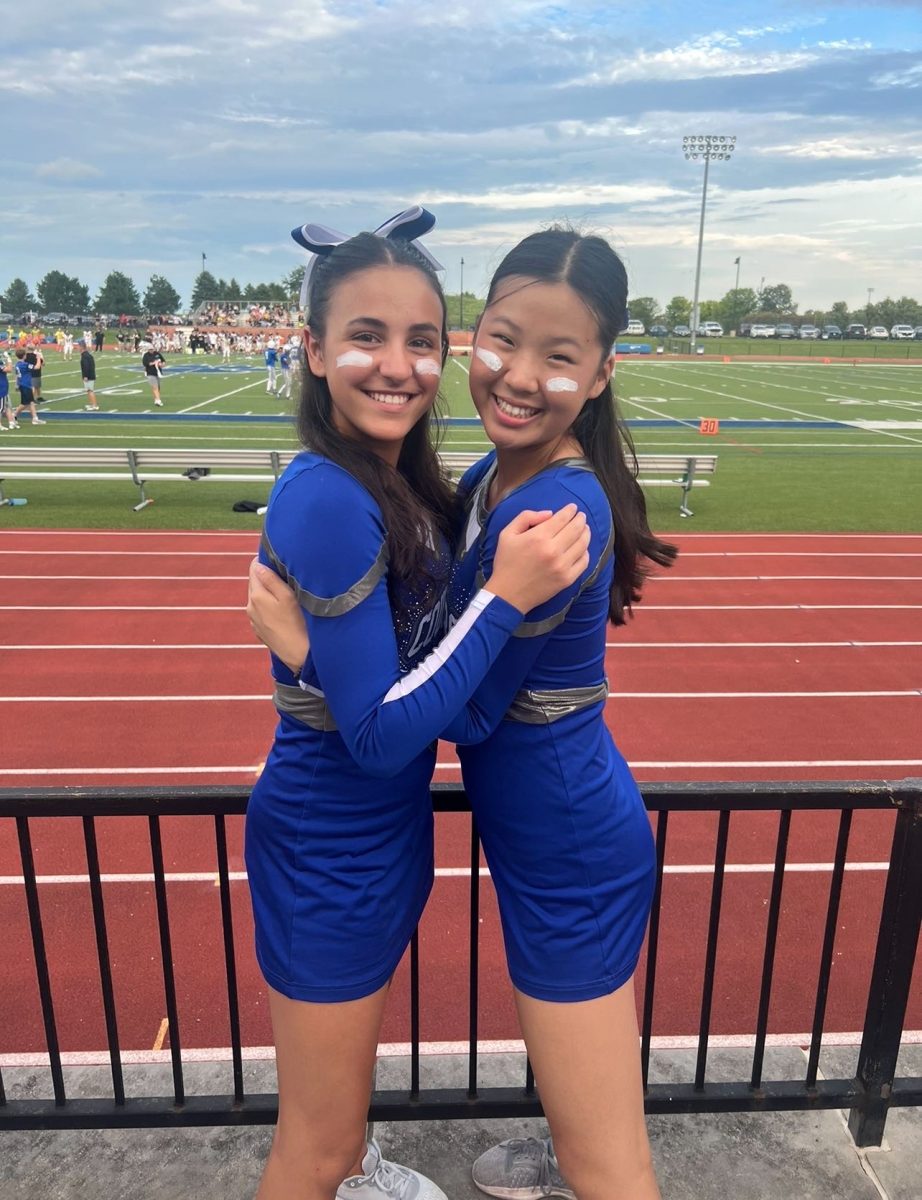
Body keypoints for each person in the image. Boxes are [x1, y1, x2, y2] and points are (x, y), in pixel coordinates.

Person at [250, 226, 678, 1200]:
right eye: (500, 339)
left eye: (557, 356)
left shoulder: (556, 510)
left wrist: (314, 651)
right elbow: (419, 654)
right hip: (510, 834)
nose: (518, 375)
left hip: (567, 845)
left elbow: (469, 717)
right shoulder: (491, 477)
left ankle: (575, 1154)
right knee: (564, 1130)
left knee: (610, 1162)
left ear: (602, 373)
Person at [12, 348, 45, 425]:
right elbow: (37, 367)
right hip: (25, 385)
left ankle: (35, 418)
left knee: (31, 402)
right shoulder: (24, 365)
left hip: (22, 384)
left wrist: (16, 384)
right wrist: (38, 358)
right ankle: (14, 414)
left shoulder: (17, 364)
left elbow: (17, 375)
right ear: (24, 356)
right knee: (25, 403)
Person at [0, 354, 17, 429]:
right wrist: (9, 359)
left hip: (3, 387)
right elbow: (9, 369)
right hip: (1, 387)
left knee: (6, 406)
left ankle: (11, 422)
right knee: (1, 408)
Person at [81, 345, 99, 411]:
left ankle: (94, 405)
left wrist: (85, 376)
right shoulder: (89, 355)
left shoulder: (84, 356)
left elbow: (86, 366)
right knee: (89, 390)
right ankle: (92, 404)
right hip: (91, 375)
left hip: (89, 376)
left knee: (90, 390)